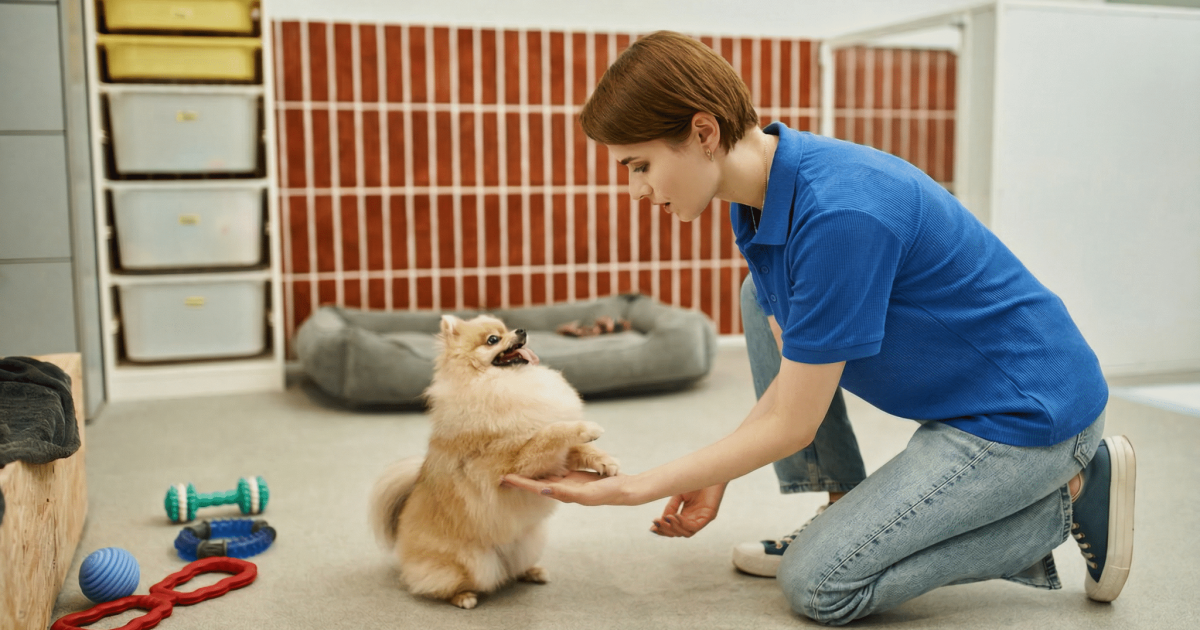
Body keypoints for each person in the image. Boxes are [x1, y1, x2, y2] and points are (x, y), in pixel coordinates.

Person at [501, 30, 1135, 625]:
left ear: (702, 132)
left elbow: (792, 422)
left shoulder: (839, 213)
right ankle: (842, 508)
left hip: (1025, 419)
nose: (636, 190)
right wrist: (714, 470)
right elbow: (797, 374)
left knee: (821, 585)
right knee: (760, 296)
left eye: (638, 165)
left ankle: (1072, 490)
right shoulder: (760, 196)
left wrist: (635, 488)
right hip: (965, 403)